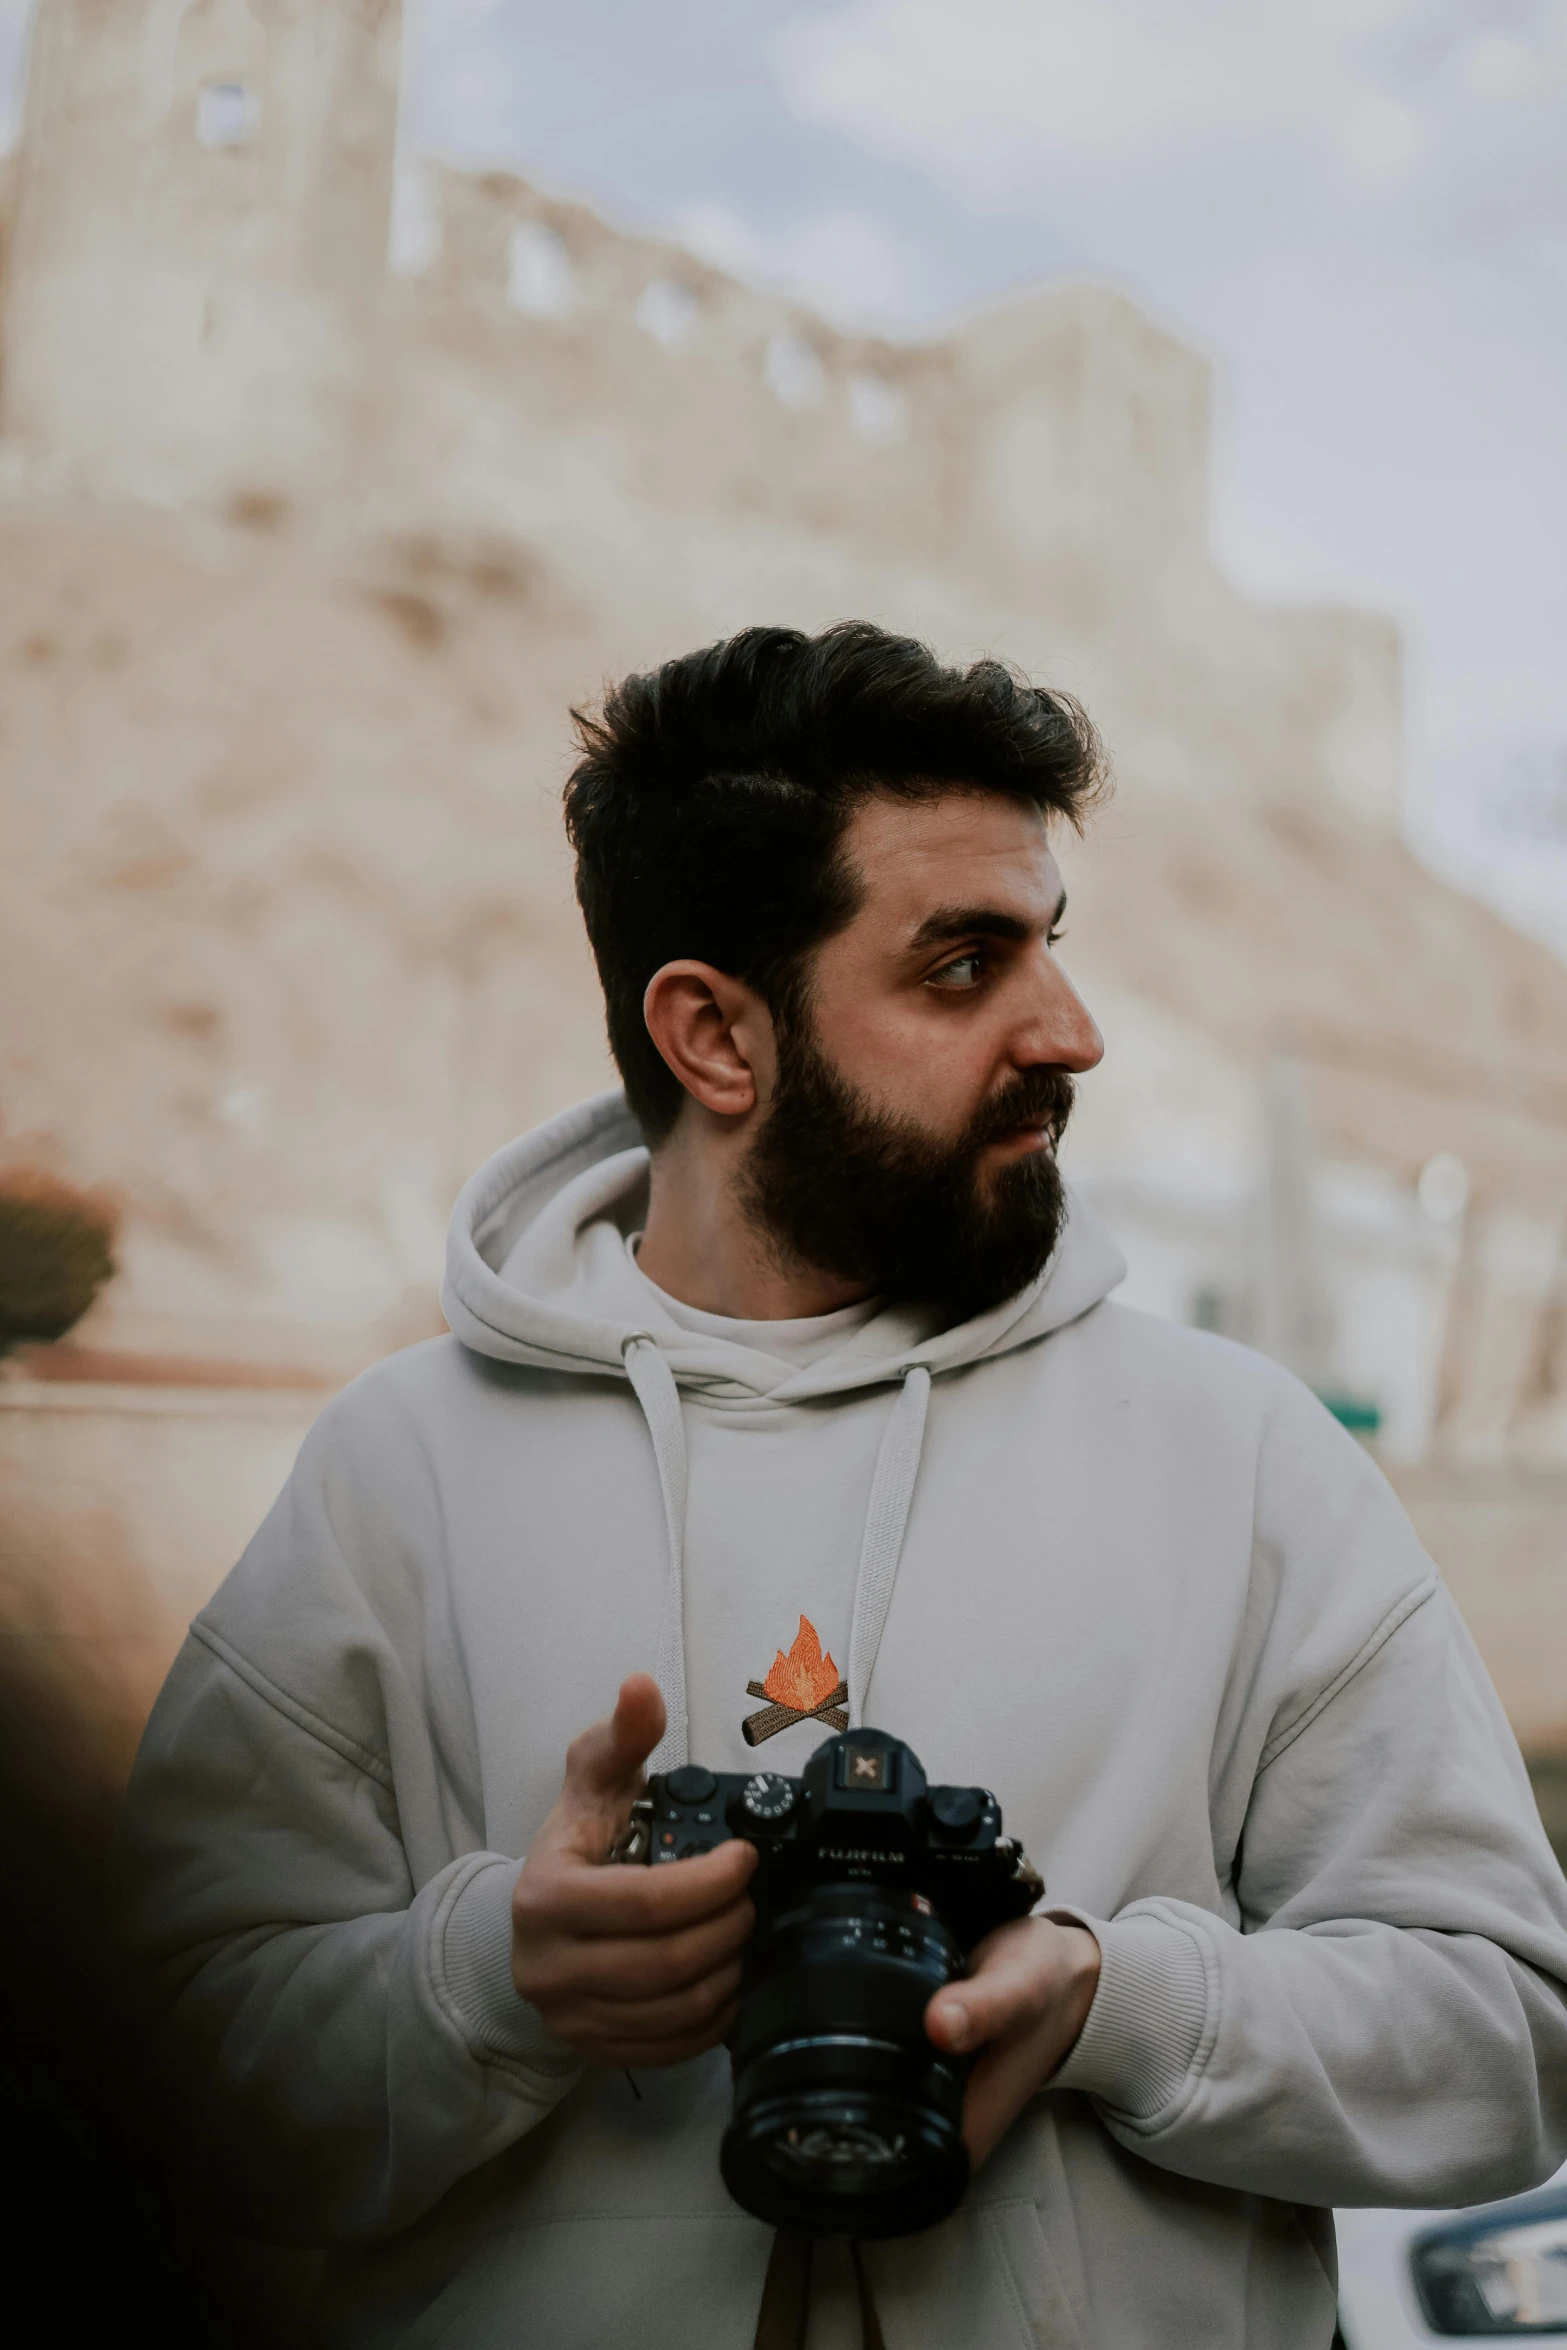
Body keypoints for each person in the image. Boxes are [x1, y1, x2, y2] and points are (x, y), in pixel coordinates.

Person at [118, 624, 1567, 2350]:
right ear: (715, 1035)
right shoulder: (395, 1472)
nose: (1073, 1030)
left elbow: (1509, 2037)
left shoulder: (1242, 1453)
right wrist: (488, 1982)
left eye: (1050, 946)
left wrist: (1127, 1996)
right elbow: (145, 2071)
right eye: (964, 964)